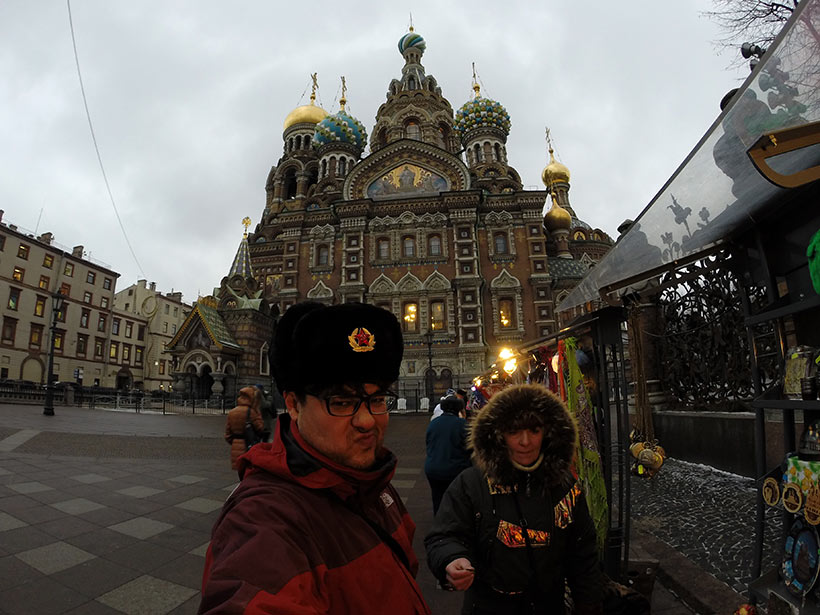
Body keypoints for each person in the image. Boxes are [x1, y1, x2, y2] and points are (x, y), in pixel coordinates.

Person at [200, 301, 431, 615]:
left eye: (376, 399)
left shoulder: (375, 483)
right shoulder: (266, 516)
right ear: (294, 405)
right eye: (341, 401)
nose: (367, 420)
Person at [425, 383, 603, 615]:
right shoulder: (472, 484)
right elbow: (444, 535)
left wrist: (588, 606)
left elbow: (583, 554)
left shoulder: (564, 486)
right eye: (514, 431)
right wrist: (452, 558)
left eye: (534, 430)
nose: (525, 441)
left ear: (548, 432)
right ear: (499, 435)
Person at [424, 394, 471, 515]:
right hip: (454, 470)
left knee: (437, 499)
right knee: (456, 500)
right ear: (459, 409)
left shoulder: (434, 423)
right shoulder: (461, 424)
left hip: (432, 469)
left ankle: (438, 522)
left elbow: (428, 444)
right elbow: (469, 447)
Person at [223, 386, 266, 473]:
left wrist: (235, 442)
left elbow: (227, 434)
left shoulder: (232, 412)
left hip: (235, 446)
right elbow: (260, 429)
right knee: (248, 470)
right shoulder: (252, 412)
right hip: (249, 445)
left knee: (240, 470)